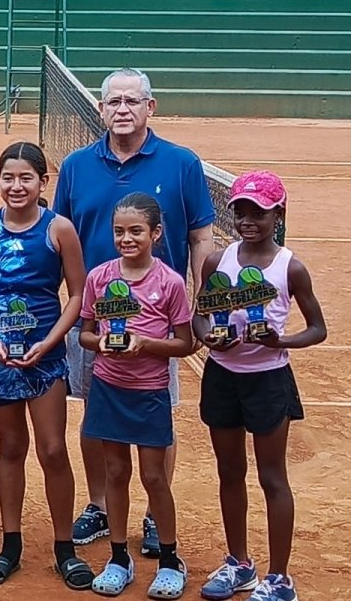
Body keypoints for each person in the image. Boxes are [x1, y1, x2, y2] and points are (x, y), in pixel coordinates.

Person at [53, 68, 216, 555]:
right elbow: (59, 233)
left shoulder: (182, 163)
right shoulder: (77, 165)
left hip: (159, 322)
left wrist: (205, 302)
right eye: (113, 102)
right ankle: (101, 505)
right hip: (92, 317)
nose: (122, 109)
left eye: (132, 100)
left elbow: (202, 237)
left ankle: (152, 514)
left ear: (151, 107)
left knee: (156, 415)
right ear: (100, 109)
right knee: (92, 412)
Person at [0, 143, 93, 590]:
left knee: (52, 449)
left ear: (42, 183)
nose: (17, 186)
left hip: (44, 355)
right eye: (8, 178)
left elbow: (77, 294)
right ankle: (10, 544)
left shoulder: (60, 230)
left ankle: (64, 548)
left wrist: (51, 342)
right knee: (11, 447)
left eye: (26, 178)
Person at [195, 172, 324, 601]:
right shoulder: (217, 261)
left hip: (268, 379)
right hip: (221, 377)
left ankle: (280, 577)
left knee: (273, 478)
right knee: (230, 472)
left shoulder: (291, 267)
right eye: (241, 212)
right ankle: (239, 564)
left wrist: (280, 340)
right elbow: (200, 315)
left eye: (259, 213)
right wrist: (208, 336)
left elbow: (317, 329)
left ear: (278, 215)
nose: (248, 221)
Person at [77, 192, 195, 598]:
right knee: (115, 473)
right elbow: (87, 333)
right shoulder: (100, 277)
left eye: (136, 231)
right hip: (108, 388)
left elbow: (185, 343)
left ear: (156, 233)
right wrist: (101, 345)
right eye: (119, 232)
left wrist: (145, 344)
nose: (126, 239)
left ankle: (169, 559)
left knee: (153, 476)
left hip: (149, 393)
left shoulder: (170, 282)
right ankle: (118, 559)